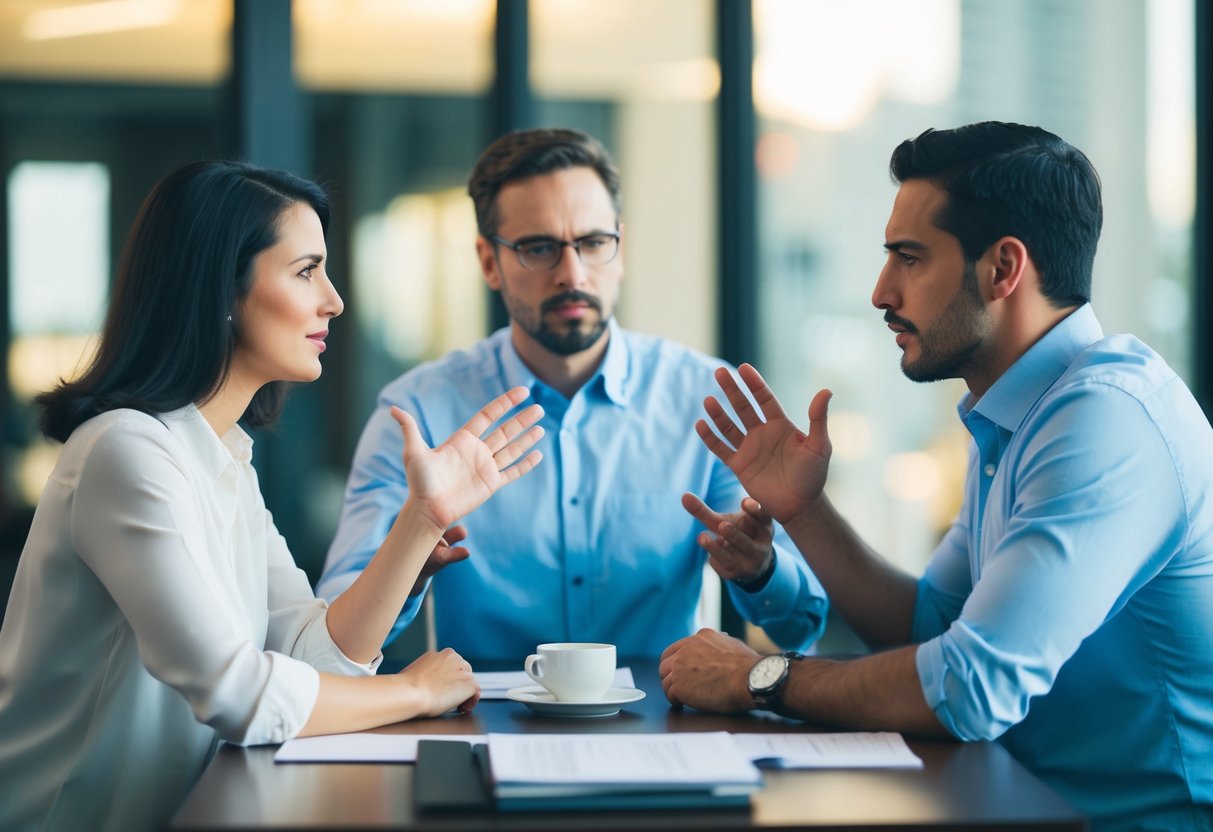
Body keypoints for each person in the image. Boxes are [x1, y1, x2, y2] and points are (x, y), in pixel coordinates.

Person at [658, 122, 1213, 831]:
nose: (880, 291)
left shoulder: (1105, 422)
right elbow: (927, 628)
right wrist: (805, 512)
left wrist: (757, 679)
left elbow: (970, 686)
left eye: (908, 259)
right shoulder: (1016, 413)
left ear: (1002, 268)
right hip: (1015, 803)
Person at [0, 161, 544, 832]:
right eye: (306, 270)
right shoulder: (125, 452)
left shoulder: (222, 455)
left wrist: (421, 518)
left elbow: (308, 660)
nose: (334, 301)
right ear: (221, 289)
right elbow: (239, 695)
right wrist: (410, 690)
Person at [317, 128, 828, 661]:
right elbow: (335, 639)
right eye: (539, 248)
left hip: (663, 727)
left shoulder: (707, 399)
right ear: (489, 262)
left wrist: (759, 571)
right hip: (485, 723)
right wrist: (407, 557)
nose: (572, 273)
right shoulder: (418, 413)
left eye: (593, 243)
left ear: (620, 248)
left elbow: (802, 626)